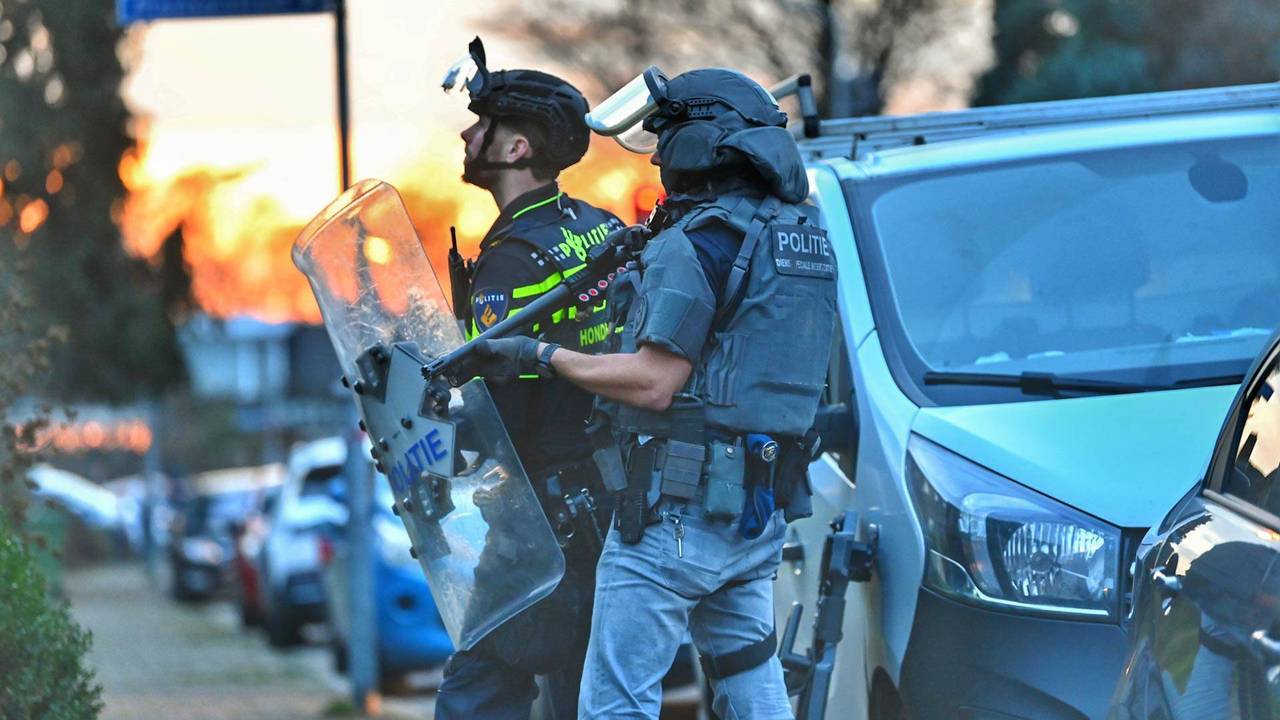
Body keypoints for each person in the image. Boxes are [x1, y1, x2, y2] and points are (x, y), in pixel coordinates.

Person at [470, 67, 839, 719]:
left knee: (615, 701)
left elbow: (655, 380)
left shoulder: (696, 242)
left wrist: (542, 354)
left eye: (665, 135)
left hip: (677, 512)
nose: (660, 152)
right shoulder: (801, 233)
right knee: (750, 679)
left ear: (702, 143)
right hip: (757, 508)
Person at [434, 38, 624, 720]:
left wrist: (430, 434)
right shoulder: (601, 229)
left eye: (482, 124)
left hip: (543, 518)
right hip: (613, 499)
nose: (466, 131)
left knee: (479, 685)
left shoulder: (511, 258)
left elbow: (499, 402)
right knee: (586, 694)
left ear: (515, 150)